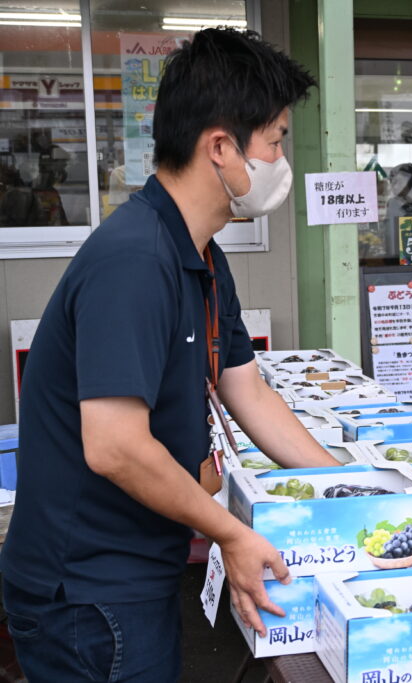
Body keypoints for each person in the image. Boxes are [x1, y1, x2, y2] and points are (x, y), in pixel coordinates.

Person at [1, 28, 342, 681]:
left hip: (131, 567)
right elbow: (114, 445)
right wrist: (232, 532)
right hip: (86, 591)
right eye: (273, 140)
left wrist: (351, 492)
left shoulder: (201, 254)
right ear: (220, 146)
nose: (280, 159)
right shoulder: (135, 259)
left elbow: (250, 392)